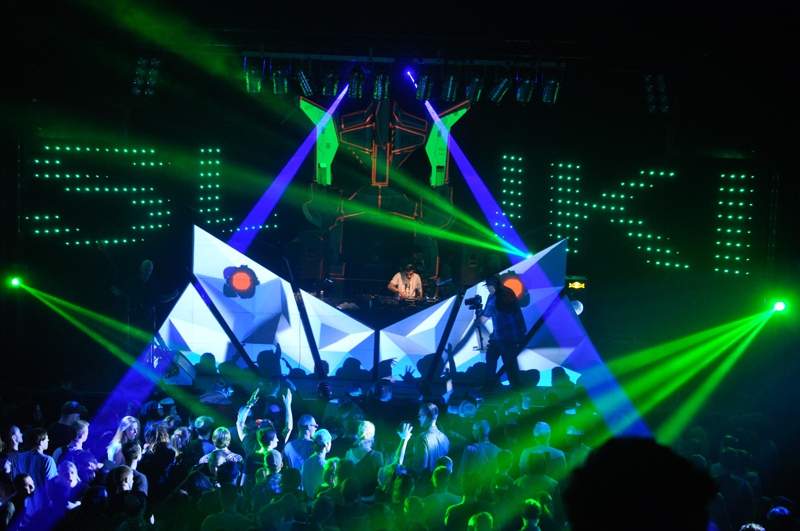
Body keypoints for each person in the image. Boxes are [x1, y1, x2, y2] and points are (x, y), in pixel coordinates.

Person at [480, 275, 526, 388]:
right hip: (516, 334)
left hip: (502, 336)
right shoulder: (509, 292)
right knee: (509, 359)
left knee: (491, 357)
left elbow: (483, 320)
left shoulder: (493, 299)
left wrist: (477, 320)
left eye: (487, 287)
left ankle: (490, 383)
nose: (488, 289)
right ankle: (514, 384)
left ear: (491, 287)